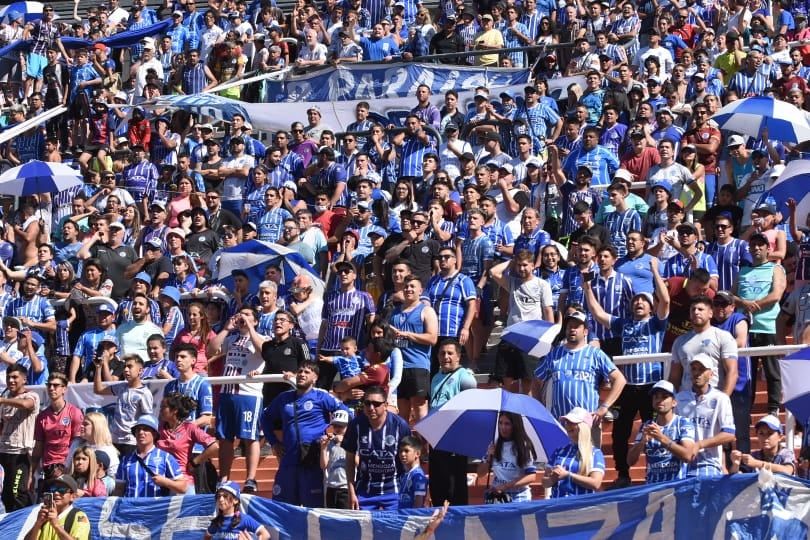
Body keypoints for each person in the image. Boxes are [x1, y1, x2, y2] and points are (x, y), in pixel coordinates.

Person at [263, 362, 346, 508]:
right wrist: (274, 442)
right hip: (289, 460)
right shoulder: (284, 398)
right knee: (282, 507)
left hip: (312, 461)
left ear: (315, 378)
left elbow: (346, 412)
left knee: (313, 510)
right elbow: (264, 418)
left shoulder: (321, 397)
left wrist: (334, 434)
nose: (302, 374)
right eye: (300, 371)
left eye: (307, 372)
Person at [533, 311, 626, 439]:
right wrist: (540, 409)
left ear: (586, 331)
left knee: (589, 459)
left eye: (577, 326)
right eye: (569, 326)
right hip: (561, 424)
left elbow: (620, 379)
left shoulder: (595, 354)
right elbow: (536, 380)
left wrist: (604, 407)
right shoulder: (554, 354)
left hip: (587, 423)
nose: (572, 329)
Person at [208, 306, 267, 493]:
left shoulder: (263, 338)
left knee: (250, 436)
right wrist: (226, 329)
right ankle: (223, 478)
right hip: (227, 393)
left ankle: (250, 479)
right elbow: (211, 351)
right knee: (225, 438)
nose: (243, 317)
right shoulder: (231, 338)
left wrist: (250, 327)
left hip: (249, 394)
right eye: (241, 314)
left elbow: (263, 351)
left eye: (248, 315)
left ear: (256, 320)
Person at [342, 385, 411, 510]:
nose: (371, 408)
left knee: (393, 528)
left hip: (394, 491)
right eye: (367, 403)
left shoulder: (400, 425)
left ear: (385, 405)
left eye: (376, 404)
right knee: (363, 529)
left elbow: (410, 460)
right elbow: (349, 460)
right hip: (365, 492)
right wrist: (351, 492)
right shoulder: (355, 425)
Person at [428, 339, 477, 507]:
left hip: (455, 438)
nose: (445, 357)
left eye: (450, 353)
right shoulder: (435, 377)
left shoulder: (464, 376)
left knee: (454, 488)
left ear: (459, 356)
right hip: (436, 437)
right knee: (437, 485)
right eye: (442, 353)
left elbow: (472, 404)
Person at [676, 354, 736, 478]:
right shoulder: (679, 398)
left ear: (711, 374)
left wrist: (700, 444)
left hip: (709, 464)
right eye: (694, 369)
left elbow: (729, 434)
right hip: (682, 466)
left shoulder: (721, 398)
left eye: (702, 369)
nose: (697, 373)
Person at [627, 380, 696, 484]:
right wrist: (642, 443)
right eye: (656, 397)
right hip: (652, 488)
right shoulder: (646, 425)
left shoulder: (683, 423)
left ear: (674, 402)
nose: (659, 400)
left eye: (664, 396)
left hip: (677, 486)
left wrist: (661, 438)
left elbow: (688, 456)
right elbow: (630, 461)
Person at [114, 414, 188, 497]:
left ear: (155, 434)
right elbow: (119, 489)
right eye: (138, 429)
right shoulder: (125, 459)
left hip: (154, 509)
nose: (141, 432)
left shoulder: (166, 457)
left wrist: (166, 482)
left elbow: (183, 487)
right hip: (131, 509)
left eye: (146, 429)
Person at [93, 354, 152, 456]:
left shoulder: (144, 393)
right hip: (114, 439)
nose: (125, 370)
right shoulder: (121, 387)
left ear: (140, 371)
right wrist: (98, 368)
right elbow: (98, 390)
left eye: (130, 366)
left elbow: (146, 420)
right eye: (124, 367)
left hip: (131, 441)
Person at [31, 373, 84, 488]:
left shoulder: (74, 412)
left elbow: (78, 444)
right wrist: (31, 473)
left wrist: (66, 466)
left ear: (64, 389)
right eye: (49, 385)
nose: (51, 388)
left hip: (68, 467)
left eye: (55, 385)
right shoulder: (42, 416)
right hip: (48, 468)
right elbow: (38, 447)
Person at [0, 364, 39, 510]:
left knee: (18, 493)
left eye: (15, 377)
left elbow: (25, 404)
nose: (11, 380)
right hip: (3, 452)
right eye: (8, 377)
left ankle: (25, 527)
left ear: (24, 379)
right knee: (5, 495)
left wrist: (3, 401)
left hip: (21, 455)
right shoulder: (5, 399)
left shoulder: (31, 395)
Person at [544, 407, 605, 498]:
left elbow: (596, 483)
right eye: (566, 422)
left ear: (584, 426)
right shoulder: (559, 451)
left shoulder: (595, 453)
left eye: (572, 422)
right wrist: (553, 478)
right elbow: (545, 482)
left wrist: (568, 475)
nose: (568, 425)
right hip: (557, 506)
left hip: (581, 508)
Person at [479, 412, 537, 503]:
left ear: (515, 425)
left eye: (507, 424)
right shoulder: (495, 444)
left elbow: (531, 476)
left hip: (518, 498)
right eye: (500, 423)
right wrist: (488, 457)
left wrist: (505, 487)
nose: (503, 427)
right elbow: (480, 473)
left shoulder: (523, 446)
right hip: (497, 498)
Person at [23, 475, 90, 540]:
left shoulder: (79, 516)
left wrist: (56, 525)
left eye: (62, 489)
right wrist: (37, 524)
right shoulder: (45, 516)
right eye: (53, 488)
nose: (56, 493)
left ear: (73, 496)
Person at [729, 415, 795, 475]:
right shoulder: (754, 456)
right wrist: (735, 465)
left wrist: (756, 463)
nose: (765, 437)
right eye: (761, 433)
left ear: (780, 437)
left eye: (770, 433)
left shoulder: (786, 453)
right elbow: (738, 479)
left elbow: (787, 471)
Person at [205, 481, 270, 539]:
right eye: (219, 496)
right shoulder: (217, 522)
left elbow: (265, 534)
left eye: (225, 496)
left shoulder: (244, 519)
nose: (221, 499)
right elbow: (207, 536)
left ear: (235, 500)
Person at [321, 409, 351, 509]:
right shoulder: (330, 443)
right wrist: (323, 448)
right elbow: (323, 465)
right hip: (331, 487)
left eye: (341, 426)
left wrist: (344, 443)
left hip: (346, 487)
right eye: (335, 425)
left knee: (347, 518)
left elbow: (357, 462)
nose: (338, 428)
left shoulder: (352, 442)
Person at [397, 436, 428, 509]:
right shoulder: (405, 474)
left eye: (406, 451)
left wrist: (413, 518)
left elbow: (419, 503)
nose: (402, 454)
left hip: (411, 518)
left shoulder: (418, 475)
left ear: (417, 453)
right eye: (400, 451)